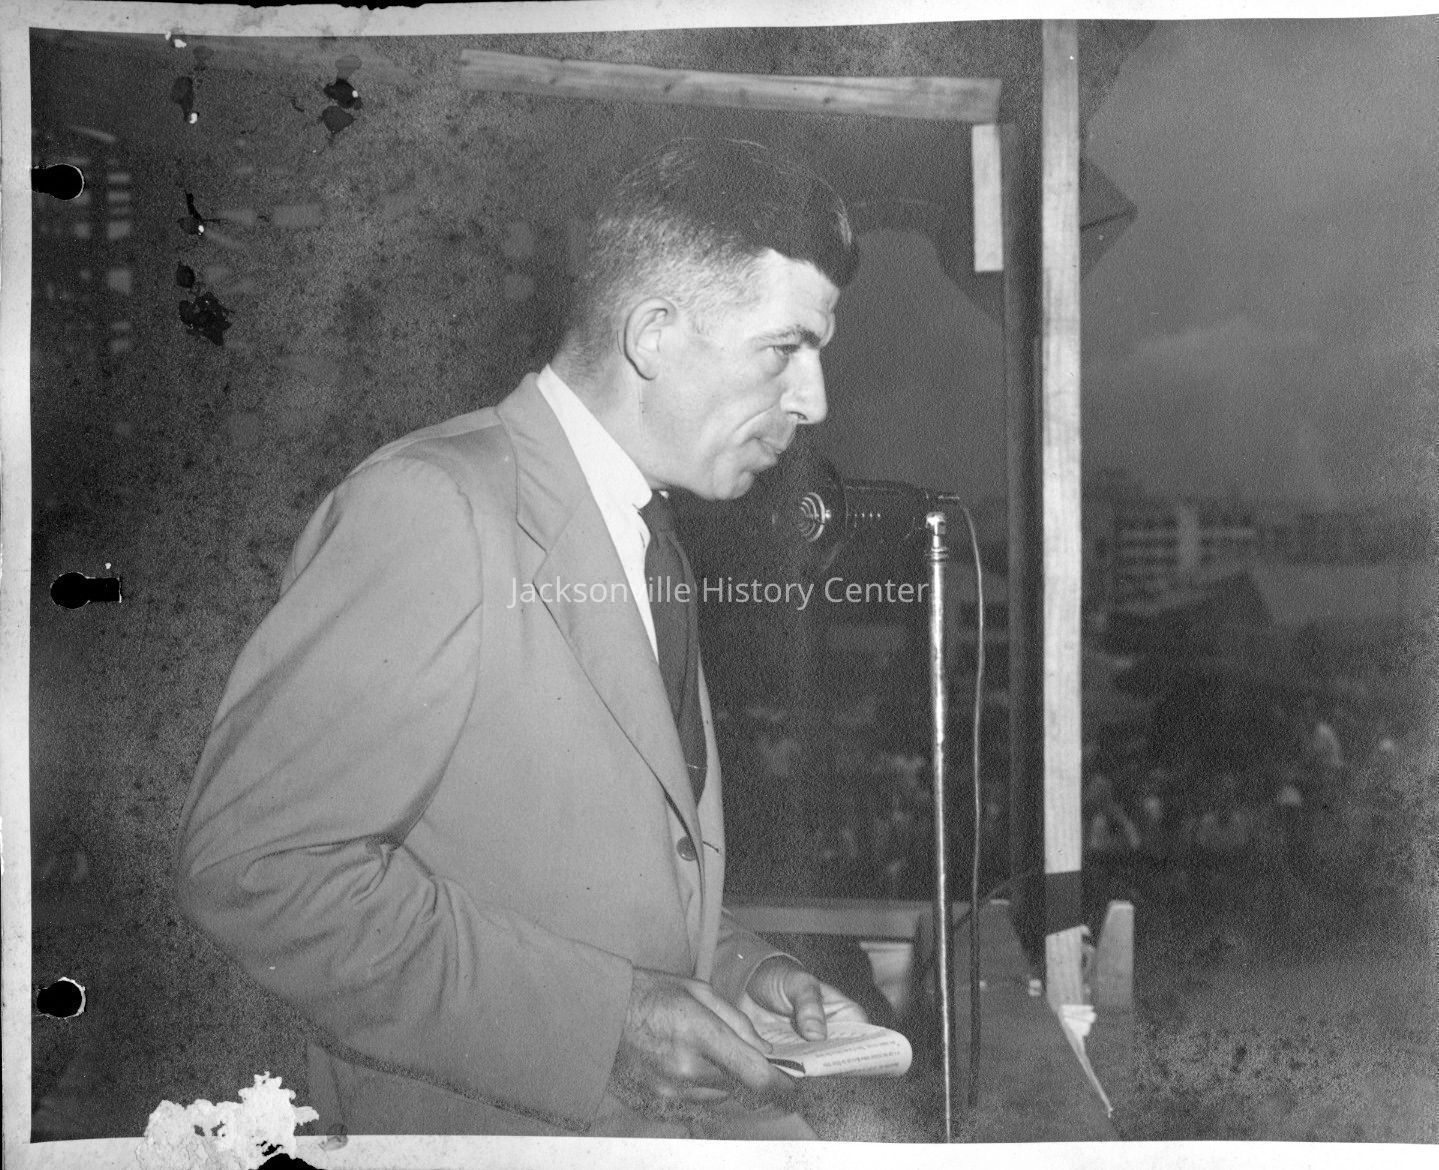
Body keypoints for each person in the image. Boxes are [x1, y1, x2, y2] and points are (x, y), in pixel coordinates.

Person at [173, 138, 866, 1140]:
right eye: (783, 350)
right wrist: (604, 1028)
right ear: (654, 335)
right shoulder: (433, 506)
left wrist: (738, 973)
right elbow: (260, 872)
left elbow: (574, 870)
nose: (812, 401)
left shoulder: (646, 535)